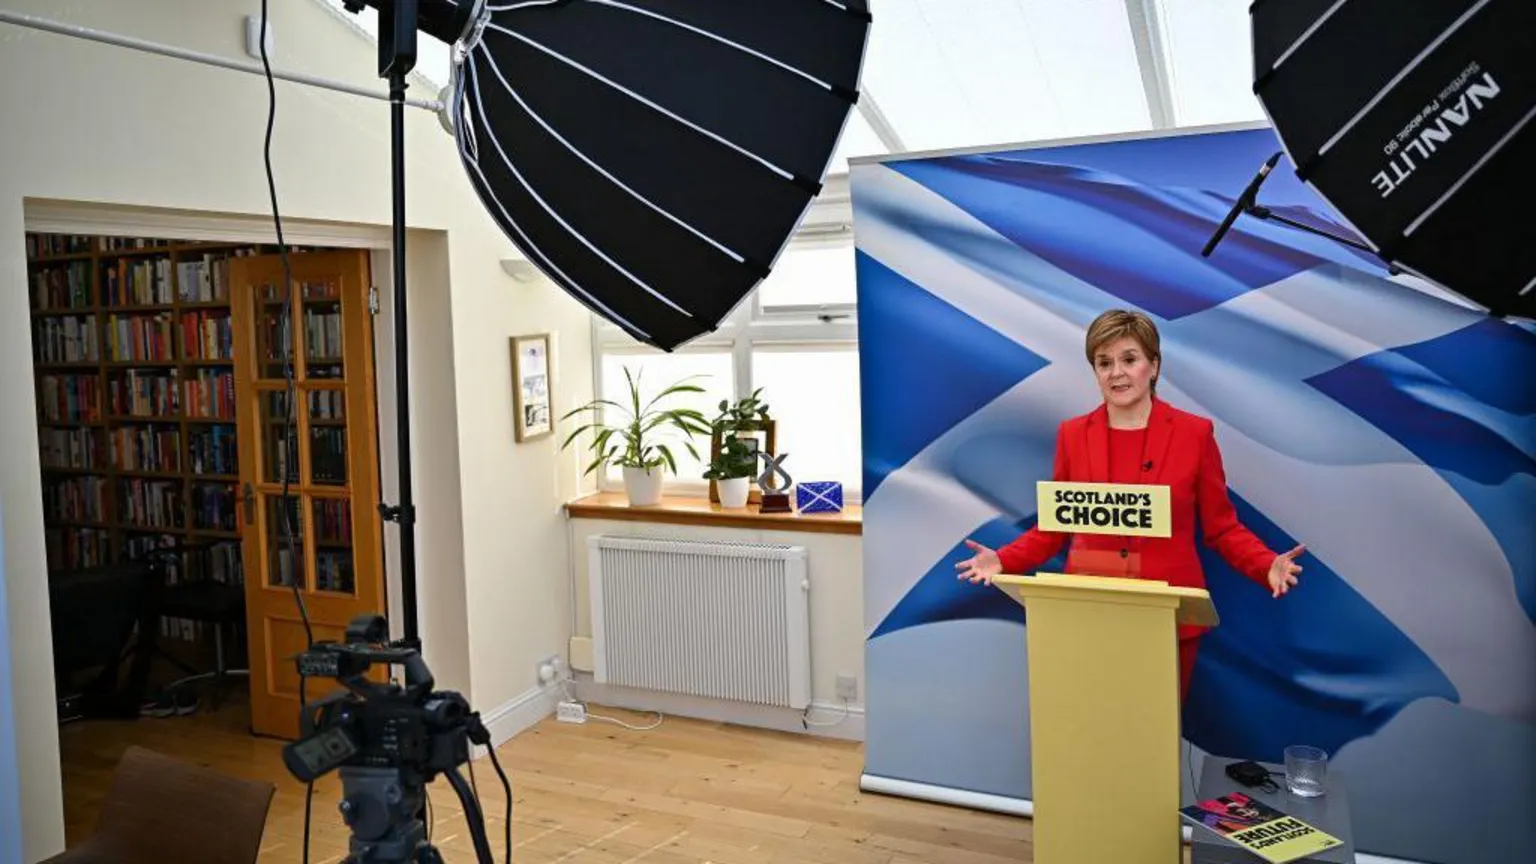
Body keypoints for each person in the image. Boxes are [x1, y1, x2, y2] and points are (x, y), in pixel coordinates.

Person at [956, 309, 1303, 702]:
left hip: (1168, 619)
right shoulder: (1072, 436)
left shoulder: (1195, 434)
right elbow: (1055, 527)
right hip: (1089, 614)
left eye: (1129, 359)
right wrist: (1002, 560)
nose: (1116, 373)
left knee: (1150, 737)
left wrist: (1264, 563)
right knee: (1092, 729)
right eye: (1104, 363)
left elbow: (1221, 528)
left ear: (1153, 366)